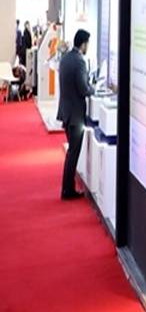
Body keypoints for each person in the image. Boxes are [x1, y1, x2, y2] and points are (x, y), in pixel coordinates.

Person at [57, 29, 94, 200]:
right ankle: (67, 190)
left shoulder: (65, 58)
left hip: (66, 112)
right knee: (73, 152)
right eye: (88, 44)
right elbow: (83, 88)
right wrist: (93, 89)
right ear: (83, 44)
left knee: (72, 151)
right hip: (75, 115)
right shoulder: (79, 62)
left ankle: (68, 187)